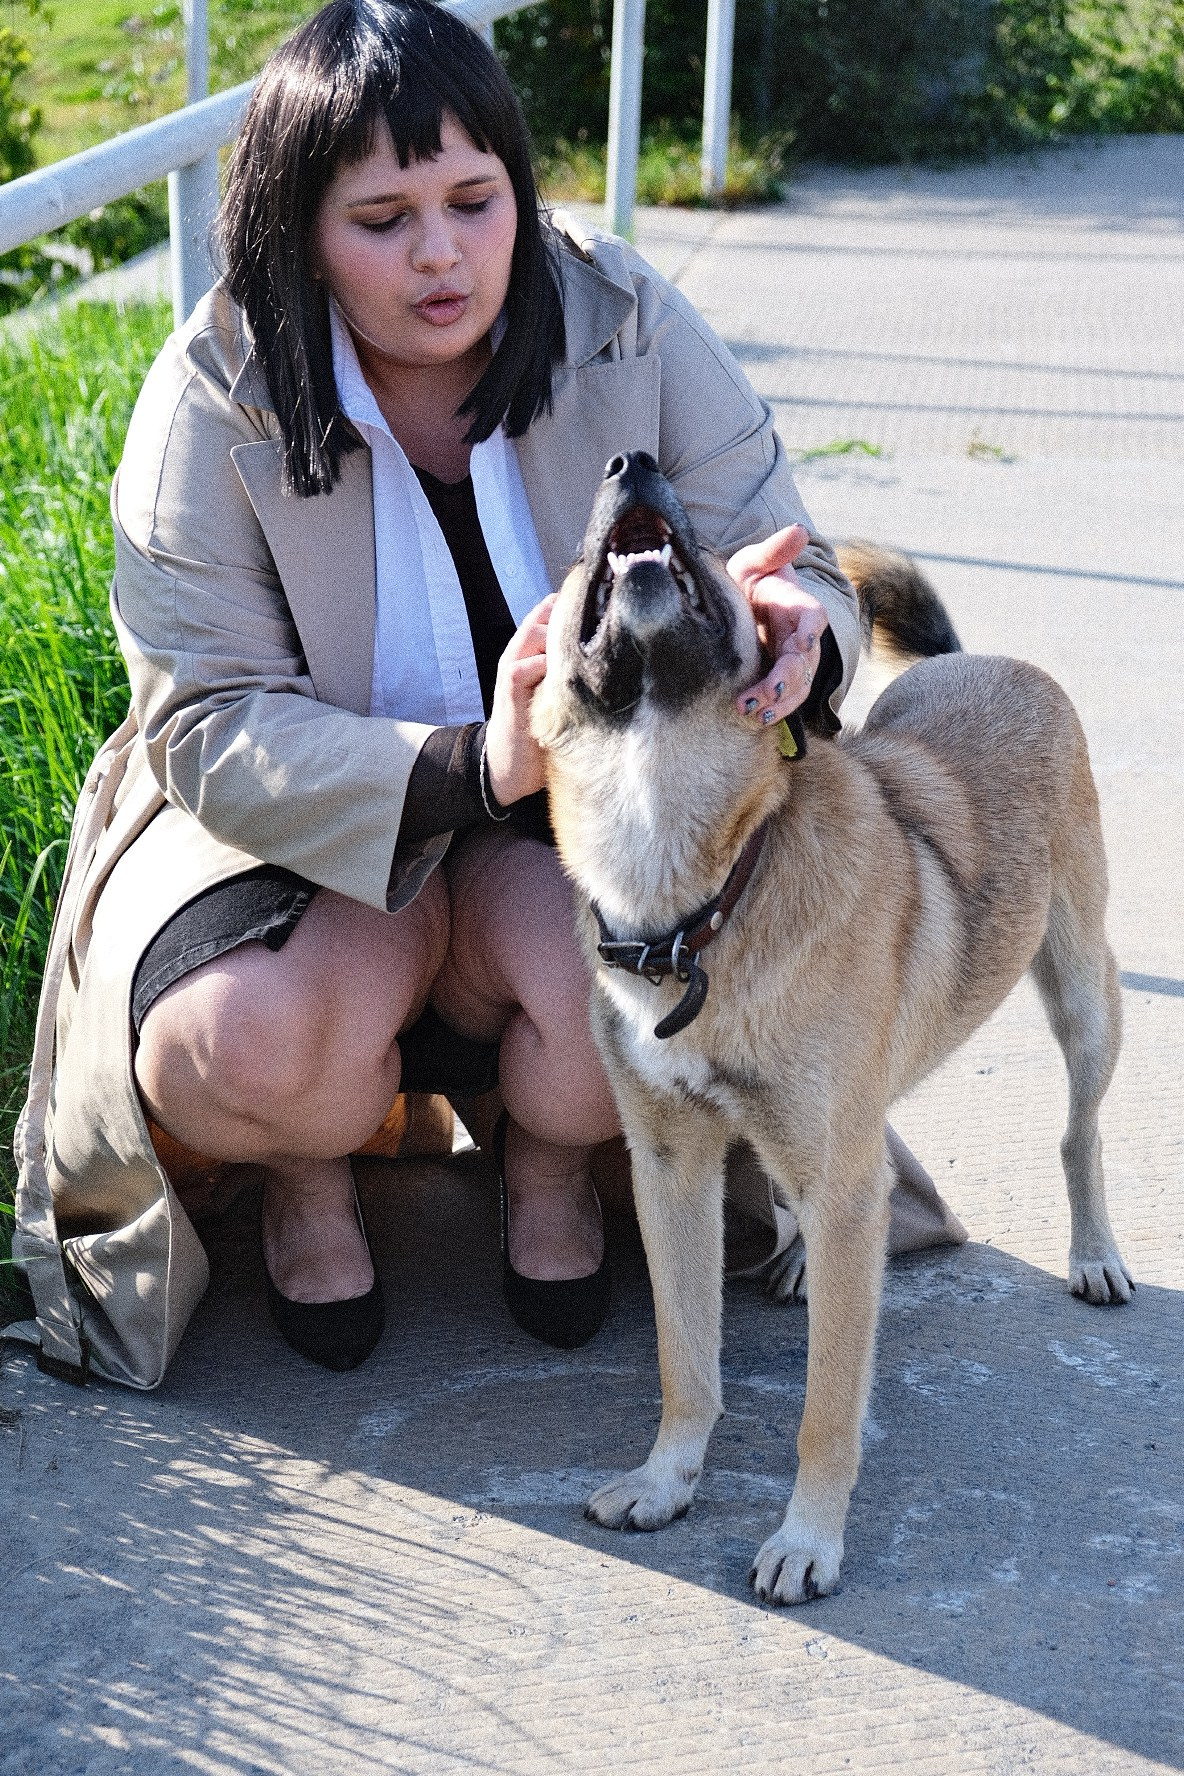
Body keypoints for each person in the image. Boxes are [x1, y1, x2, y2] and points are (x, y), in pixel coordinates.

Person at [11, 0, 962, 1391]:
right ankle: (305, 1182)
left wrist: (799, 638)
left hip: (595, 808)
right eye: (382, 217)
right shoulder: (210, 396)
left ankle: (557, 1159)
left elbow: (798, 556)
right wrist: (473, 764)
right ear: (296, 232)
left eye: (474, 198)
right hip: (298, 828)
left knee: (656, 1019)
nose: (443, 251)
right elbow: (206, 720)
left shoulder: (622, 313)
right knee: (239, 1048)